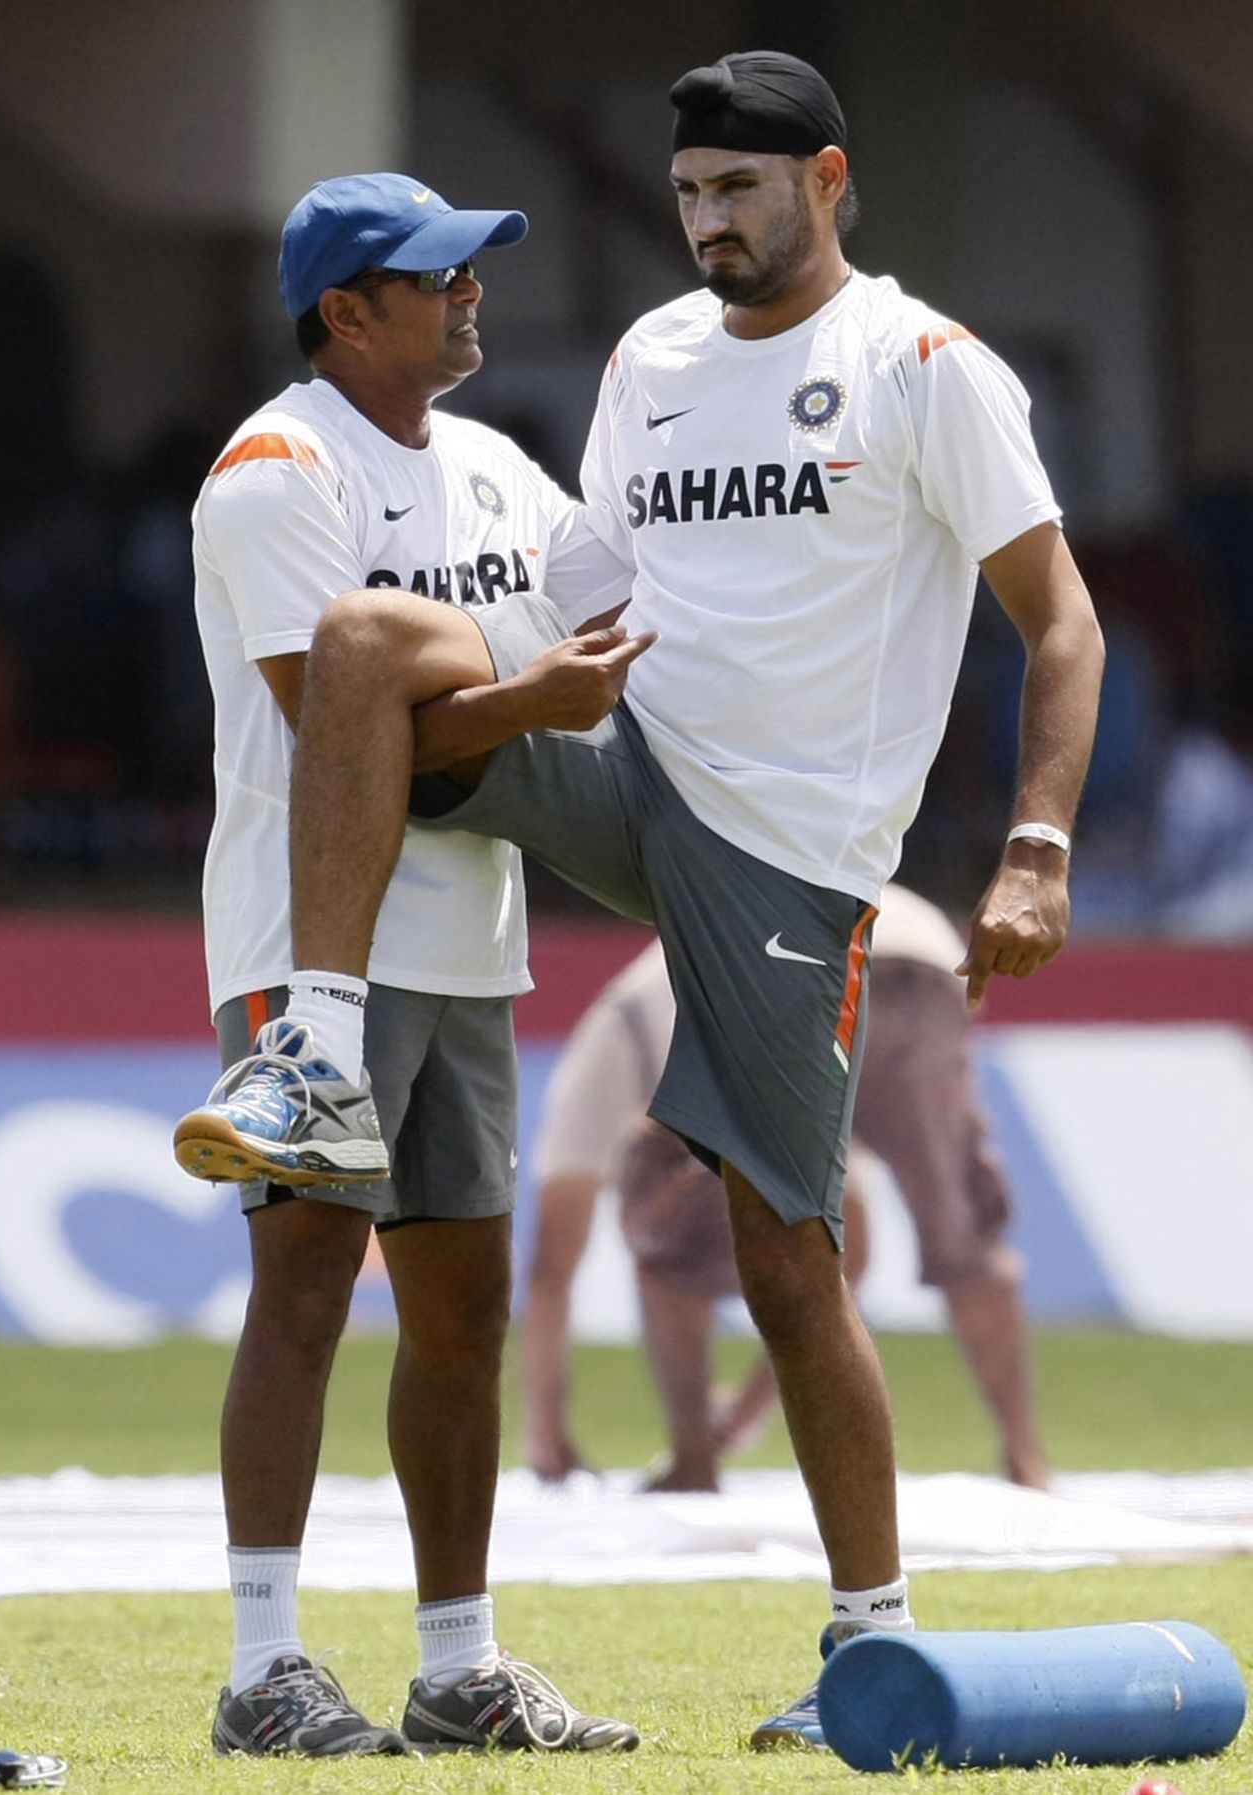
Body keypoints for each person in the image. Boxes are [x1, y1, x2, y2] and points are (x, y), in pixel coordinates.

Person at [177, 50, 1105, 1749]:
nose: (705, 221)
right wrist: (534, 698)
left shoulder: (919, 368)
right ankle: (303, 1057)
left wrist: (1035, 845)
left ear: (827, 180)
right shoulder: (596, 376)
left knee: (776, 1251)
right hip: (540, 814)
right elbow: (489, 636)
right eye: (688, 193)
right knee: (374, 656)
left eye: (736, 189)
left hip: (773, 852)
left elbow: (1056, 619)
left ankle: (857, 1653)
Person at [176, 170, 646, 1757]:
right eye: (433, 275)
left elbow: (634, 627)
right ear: (345, 312)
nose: (470, 294)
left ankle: (460, 1662)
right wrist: (530, 697)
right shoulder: (273, 470)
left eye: (469, 269)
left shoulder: (502, 467)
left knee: (465, 1311)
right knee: (303, 1288)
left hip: (471, 945)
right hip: (310, 946)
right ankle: (262, 1669)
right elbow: (354, 739)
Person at [523, 886, 1049, 1500]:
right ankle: (1026, 1461)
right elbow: (852, 1248)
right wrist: (747, 1411)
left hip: (807, 968)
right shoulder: (648, 1009)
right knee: (964, 1237)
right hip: (920, 955)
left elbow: (552, 1268)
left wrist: (546, 1433)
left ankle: (694, 1461)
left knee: (669, 1256)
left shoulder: (612, 1043)